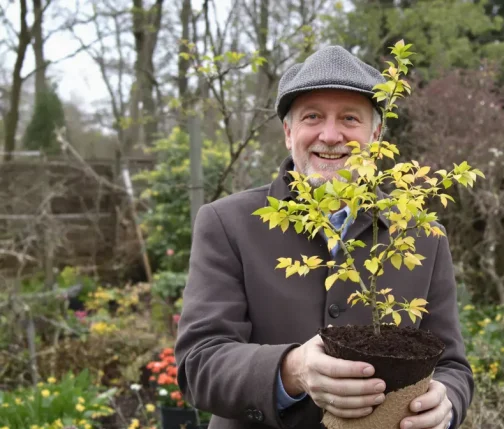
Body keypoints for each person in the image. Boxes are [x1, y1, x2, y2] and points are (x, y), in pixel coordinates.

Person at [174, 45, 473, 429]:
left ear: (376, 134)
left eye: (350, 118)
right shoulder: (227, 224)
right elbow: (198, 364)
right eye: (312, 116)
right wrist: (292, 370)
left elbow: (451, 366)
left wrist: (447, 403)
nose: (330, 136)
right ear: (288, 132)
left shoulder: (421, 235)